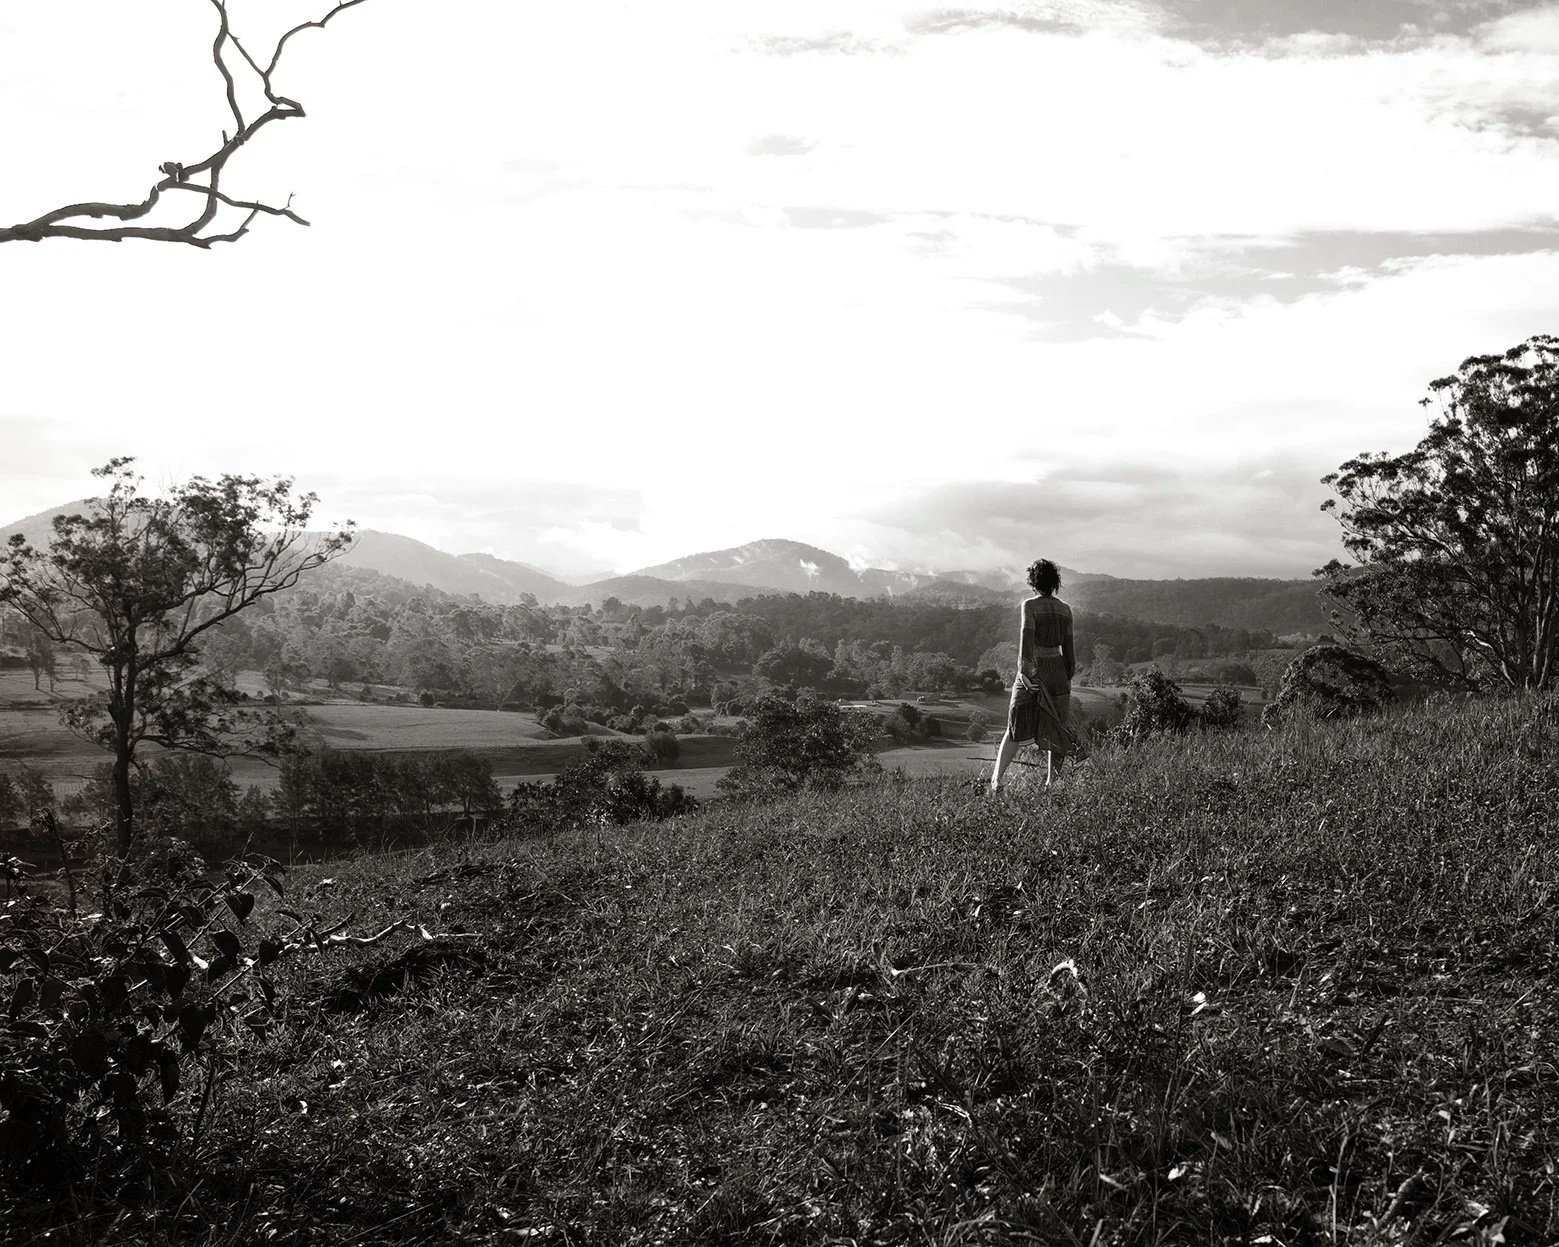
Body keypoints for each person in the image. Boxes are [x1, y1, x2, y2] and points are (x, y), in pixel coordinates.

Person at [990, 558, 1075, 792]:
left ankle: (997, 781)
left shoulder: (1029, 606)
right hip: (1058, 671)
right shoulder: (1065, 610)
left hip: (1033, 671)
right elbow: (1070, 653)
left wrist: (1024, 675)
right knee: (1058, 728)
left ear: (1033, 582)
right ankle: (1051, 784)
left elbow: (1026, 641)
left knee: (1015, 723)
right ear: (1054, 582)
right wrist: (1065, 677)